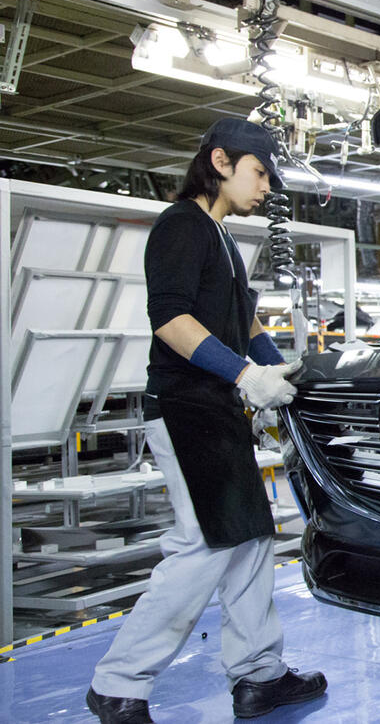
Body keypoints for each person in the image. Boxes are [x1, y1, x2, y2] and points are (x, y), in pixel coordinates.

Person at [87, 118, 327, 723]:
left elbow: (241, 326)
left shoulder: (219, 237)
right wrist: (247, 377)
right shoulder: (181, 227)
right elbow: (170, 319)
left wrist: (289, 369)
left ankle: (259, 677)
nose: (268, 186)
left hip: (216, 411)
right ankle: (118, 683)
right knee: (202, 546)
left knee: (248, 541)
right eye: (260, 172)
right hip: (186, 407)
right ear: (221, 161)